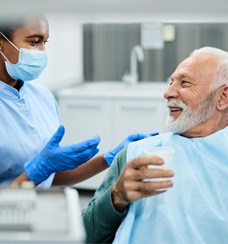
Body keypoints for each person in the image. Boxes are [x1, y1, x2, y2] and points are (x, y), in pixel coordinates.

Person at [82, 46, 228, 243]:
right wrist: (116, 197)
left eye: (184, 83)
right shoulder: (136, 156)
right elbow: (86, 235)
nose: (168, 92)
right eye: (171, 82)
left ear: (223, 97)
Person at [0, 15, 157, 188]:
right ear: (2, 43)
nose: (43, 51)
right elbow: (40, 172)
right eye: (34, 42)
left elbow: (51, 177)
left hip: (43, 206)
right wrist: (36, 171)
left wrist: (109, 157)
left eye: (45, 42)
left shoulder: (42, 96)